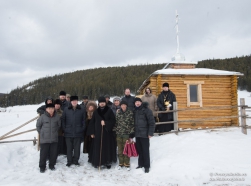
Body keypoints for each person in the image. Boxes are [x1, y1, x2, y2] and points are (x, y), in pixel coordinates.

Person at [87, 96, 117, 169]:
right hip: (97, 133)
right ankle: (98, 162)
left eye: (103, 102)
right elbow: (92, 123)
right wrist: (92, 132)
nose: (102, 104)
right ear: (99, 103)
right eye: (100, 103)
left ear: (105, 103)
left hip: (107, 133)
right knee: (98, 148)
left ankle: (107, 161)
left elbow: (113, 121)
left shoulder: (109, 110)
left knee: (107, 147)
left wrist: (106, 123)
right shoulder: (96, 112)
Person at [36, 103, 61, 173]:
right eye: (49, 109)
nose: (51, 110)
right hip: (44, 139)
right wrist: (42, 133)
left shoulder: (57, 117)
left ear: (54, 109)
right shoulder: (42, 117)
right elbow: (38, 126)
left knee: (53, 153)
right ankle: (42, 167)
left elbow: (59, 126)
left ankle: (52, 165)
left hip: (54, 139)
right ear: (46, 109)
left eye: (52, 108)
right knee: (43, 154)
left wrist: (55, 132)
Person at [62, 96, 86, 167]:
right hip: (68, 132)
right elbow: (63, 120)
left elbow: (84, 120)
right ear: (70, 102)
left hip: (78, 132)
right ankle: (69, 161)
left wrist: (82, 128)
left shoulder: (82, 109)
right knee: (69, 148)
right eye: (73, 101)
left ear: (77, 101)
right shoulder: (66, 109)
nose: (74, 102)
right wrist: (64, 129)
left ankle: (76, 160)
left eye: (75, 101)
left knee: (77, 148)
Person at [134, 97, 155, 173]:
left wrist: (150, 133)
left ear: (141, 102)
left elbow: (151, 122)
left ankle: (147, 166)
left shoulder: (147, 110)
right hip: (137, 134)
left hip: (145, 134)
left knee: (145, 151)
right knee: (139, 150)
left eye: (138, 102)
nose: (137, 103)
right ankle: (140, 164)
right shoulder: (135, 111)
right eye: (136, 102)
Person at [115, 100, 134, 171]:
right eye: (122, 105)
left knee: (126, 149)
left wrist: (131, 133)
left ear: (126, 105)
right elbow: (116, 122)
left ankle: (127, 163)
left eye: (124, 105)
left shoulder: (130, 113)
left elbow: (132, 123)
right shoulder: (118, 113)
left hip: (126, 134)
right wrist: (115, 131)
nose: (123, 106)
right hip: (119, 134)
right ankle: (121, 163)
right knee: (120, 149)